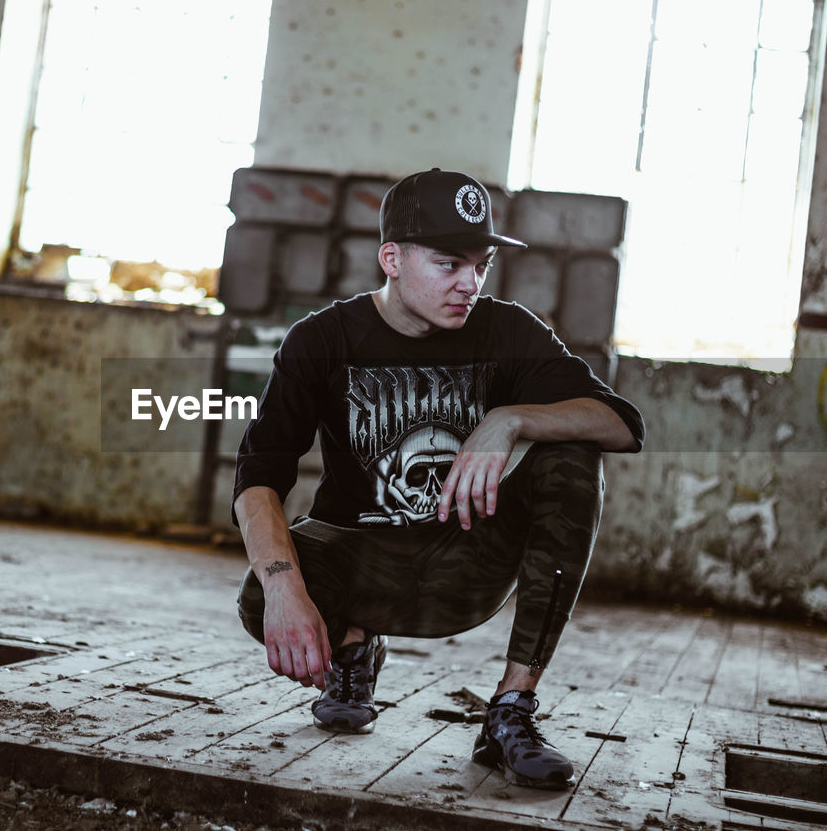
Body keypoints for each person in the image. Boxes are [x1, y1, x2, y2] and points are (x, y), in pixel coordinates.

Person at [231, 168, 644, 790]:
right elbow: (259, 474)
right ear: (391, 259)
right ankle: (353, 648)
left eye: (481, 266)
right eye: (450, 264)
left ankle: (511, 710)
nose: (469, 284)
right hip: (364, 558)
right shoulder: (322, 340)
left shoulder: (508, 331)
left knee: (573, 452)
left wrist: (509, 419)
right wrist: (287, 591)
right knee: (263, 589)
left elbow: (621, 422)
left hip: (467, 561)